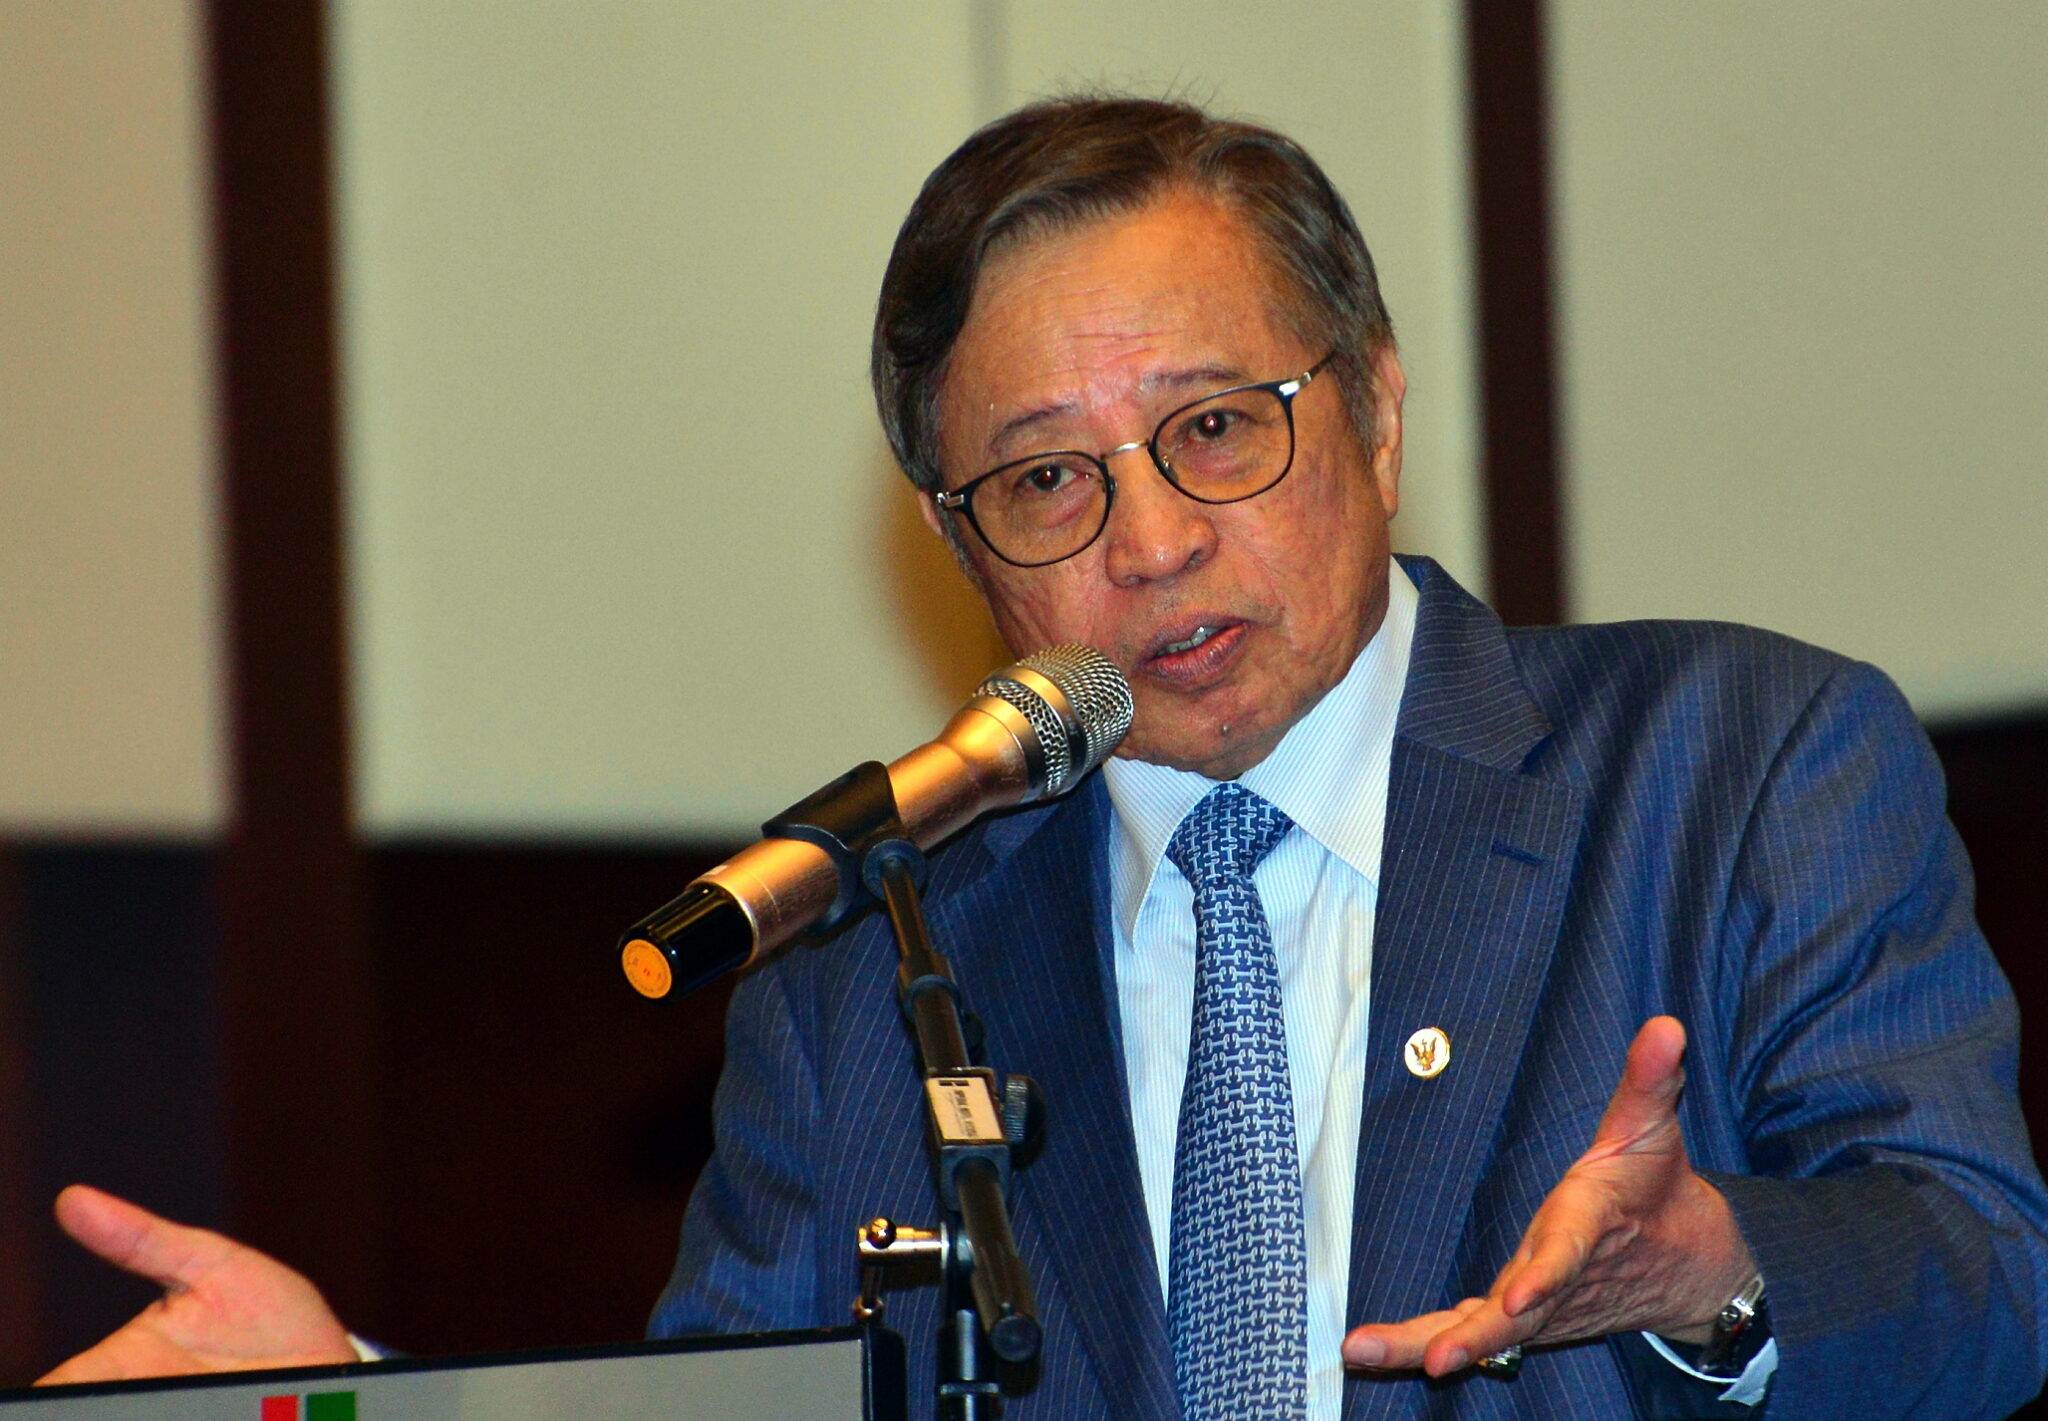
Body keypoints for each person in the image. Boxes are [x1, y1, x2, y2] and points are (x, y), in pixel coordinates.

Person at [36, 97, 2048, 1419]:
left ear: (1372, 409)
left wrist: (1717, 1276)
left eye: (1216, 428)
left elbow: (1987, 1289)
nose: (1148, 540)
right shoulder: (870, 955)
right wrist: (352, 1390)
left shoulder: (1736, 765)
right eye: (1045, 480)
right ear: (961, 544)